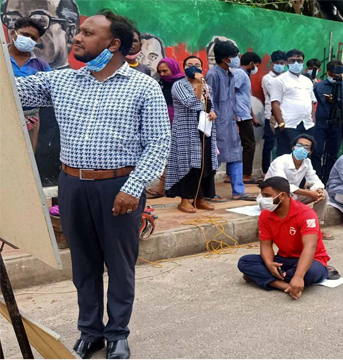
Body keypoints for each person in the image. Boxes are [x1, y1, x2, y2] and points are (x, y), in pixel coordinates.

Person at [15, 11, 170, 359]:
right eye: (79, 32)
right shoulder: (62, 80)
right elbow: (11, 91)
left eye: (87, 32)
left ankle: (117, 334)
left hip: (118, 186)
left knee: (119, 264)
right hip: (73, 186)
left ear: (113, 44)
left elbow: (159, 142)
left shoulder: (142, 86)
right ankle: (90, 332)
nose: (77, 38)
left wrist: (133, 188)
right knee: (83, 265)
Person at [237, 176, 330, 299]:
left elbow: (310, 247)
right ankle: (282, 284)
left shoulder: (306, 214)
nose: (263, 200)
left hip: (312, 260)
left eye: (267, 196)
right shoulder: (265, 215)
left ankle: (265, 278)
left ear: (282, 196)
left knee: (311, 273)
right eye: (262, 196)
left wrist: (298, 276)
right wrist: (270, 264)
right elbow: (266, 245)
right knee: (245, 262)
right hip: (284, 259)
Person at [165, 56, 218, 213]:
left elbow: (209, 104)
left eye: (197, 65)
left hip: (204, 130)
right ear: (184, 67)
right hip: (185, 132)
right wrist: (199, 83)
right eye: (189, 65)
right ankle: (185, 200)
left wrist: (213, 112)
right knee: (188, 165)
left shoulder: (206, 86)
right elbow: (191, 102)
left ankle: (200, 198)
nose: (194, 67)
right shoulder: (179, 85)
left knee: (204, 164)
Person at [206, 40, 255, 200]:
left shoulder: (231, 74)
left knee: (236, 155)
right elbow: (209, 99)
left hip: (231, 123)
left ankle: (238, 191)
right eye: (233, 56)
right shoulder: (213, 74)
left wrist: (235, 120)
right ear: (225, 58)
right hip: (217, 123)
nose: (237, 58)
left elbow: (232, 99)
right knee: (215, 158)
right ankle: (208, 192)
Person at [265, 134, 333, 240]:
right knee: (287, 198)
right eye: (299, 145)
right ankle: (291, 230)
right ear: (293, 147)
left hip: (292, 198)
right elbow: (283, 186)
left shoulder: (307, 162)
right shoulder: (280, 161)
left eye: (306, 147)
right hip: (274, 199)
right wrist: (309, 193)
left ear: (310, 152)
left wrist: (318, 189)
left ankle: (316, 227)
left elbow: (314, 179)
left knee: (323, 194)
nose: (302, 149)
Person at [7, 17, 50, 153]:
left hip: (30, 121)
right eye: (25, 35)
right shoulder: (2, 58)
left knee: (25, 159)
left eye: (33, 38)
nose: (29, 39)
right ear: (13, 33)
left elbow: (48, 93)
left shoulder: (41, 65)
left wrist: (29, 112)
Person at [144, 57, 185, 199]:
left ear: (173, 69)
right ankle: (163, 186)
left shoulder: (183, 83)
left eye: (165, 71)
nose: (163, 74)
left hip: (181, 124)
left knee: (179, 156)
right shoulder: (158, 84)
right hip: (163, 124)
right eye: (160, 71)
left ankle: (173, 187)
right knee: (165, 155)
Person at [311, 60, 343, 180]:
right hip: (321, 124)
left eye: (337, 74)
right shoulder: (319, 86)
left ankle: (328, 177)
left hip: (337, 123)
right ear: (328, 72)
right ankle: (316, 177)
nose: (334, 77)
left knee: (332, 154)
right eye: (332, 74)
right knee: (317, 152)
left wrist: (336, 100)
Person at [2, 0, 80, 69]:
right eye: (13, 19)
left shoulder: (73, 83)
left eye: (39, 21)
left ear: (70, 32)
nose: (24, 30)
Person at [271, 49, 317, 157]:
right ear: (287, 62)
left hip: (307, 125)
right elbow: (275, 103)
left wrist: (313, 122)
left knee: (305, 156)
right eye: (292, 60)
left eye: (299, 61)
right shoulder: (279, 80)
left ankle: (301, 175)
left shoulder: (307, 81)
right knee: (286, 156)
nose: (296, 63)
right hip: (288, 125)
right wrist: (281, 124)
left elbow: (311, 102)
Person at [233, 51, 262, 183]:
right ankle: (245, 174)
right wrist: (233, 114)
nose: (256, 69)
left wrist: (253, 116)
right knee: (249, 144)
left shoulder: (244, 75)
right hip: (239, 115)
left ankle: (238, 174)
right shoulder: (240, 74)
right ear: (251, 64)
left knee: (244, 144)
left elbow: (245, 98)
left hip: (244, 113)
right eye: (256, 65)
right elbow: (231, 93)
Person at [261, 50, 286, 175]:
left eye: (282, 63)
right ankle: (266, 171)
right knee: (269, 144)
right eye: (278, 63)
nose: (280, 65)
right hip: (270, 116)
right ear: (272, 63)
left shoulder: (286, 77)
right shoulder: (267, 78)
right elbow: (277, 95)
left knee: (282, 144)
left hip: (284, 116)